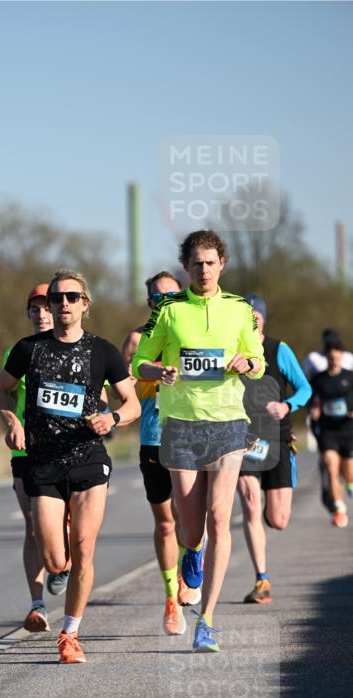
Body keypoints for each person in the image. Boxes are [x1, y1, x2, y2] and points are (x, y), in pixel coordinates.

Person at [0, 268, 140, 663]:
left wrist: (113, 419)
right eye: (56, 298)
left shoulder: (103, 352)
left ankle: (70, 634)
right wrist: (13, 421)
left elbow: (133, 403)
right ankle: (63, 561)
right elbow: (0, 391)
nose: (62, 305)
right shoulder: (29, 349)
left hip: (89, 458)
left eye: (71, 297)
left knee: (85, 547)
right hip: (43, 462)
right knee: (56, 559)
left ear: (85, 304)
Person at [132, 229, 265, 652]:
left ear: (221, 264)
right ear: (186, 267)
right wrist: (160, 372)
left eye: (210, 262)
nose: (204, 269)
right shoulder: (169, 311)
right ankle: (193, 550)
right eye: (196, 263)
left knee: (219, 516)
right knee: (191, 527)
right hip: (181, 426)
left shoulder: (239, 308)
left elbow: (258, 362)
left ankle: (206, 620)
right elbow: (139, 362)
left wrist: (248, 362)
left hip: (227, 423)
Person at [121, 271, 201, 636]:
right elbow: (125, 390)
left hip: (190, 433)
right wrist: (152, 375)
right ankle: (171, 598)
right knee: (167, 522)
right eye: (157, 298)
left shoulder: (194, 330)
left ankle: (190, 567)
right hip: (154, 437)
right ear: (150, 302)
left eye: (172, 295)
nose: (164, 301)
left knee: (190, 521)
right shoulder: (138, 339)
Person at [236, 295, 312, 603]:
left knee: (278, 519)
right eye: (247, 316)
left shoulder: (279, 350)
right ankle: (262, 579)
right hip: (244, 439)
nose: (252, 321)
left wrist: (287, 405)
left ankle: (270, 511)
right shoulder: (233, 352)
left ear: (264, 319)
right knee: (251, 505)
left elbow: (305, 387)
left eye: (256, 316)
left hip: (278, 438)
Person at [1, 284, 52, 632]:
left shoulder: (80, 349)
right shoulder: (20, 350)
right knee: (33, 525)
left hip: (68, 450)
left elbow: (102, 393)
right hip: (27, 450)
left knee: (64, 529)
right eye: (34, 308)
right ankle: (38, 606)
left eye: (46, 306)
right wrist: (13, 421)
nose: (41, 313)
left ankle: (61, 563)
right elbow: (1, 391)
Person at [302, 329, 353, 513]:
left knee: (349, 473)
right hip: (327, 429)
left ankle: (349, 484)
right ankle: (338, 508)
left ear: (341, 357)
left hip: (347, 428)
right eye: (331, 359)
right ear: (327, 359)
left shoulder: (350, 375)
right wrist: (312, 410)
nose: (334, 362)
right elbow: (309, 397)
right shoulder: (318, 379)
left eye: (337, 358)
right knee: (331, 467)